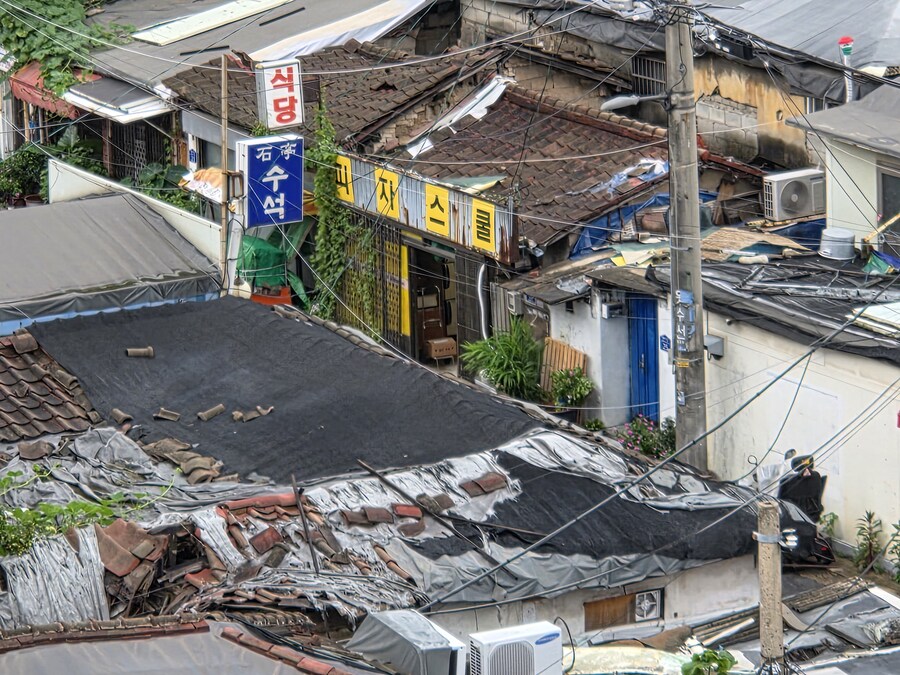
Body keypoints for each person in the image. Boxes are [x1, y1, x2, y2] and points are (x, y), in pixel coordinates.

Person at [778, 455, 826, 523]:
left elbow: (780, 502)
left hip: (794, 517)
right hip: (812, 515)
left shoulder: (787, 481)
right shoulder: (816, 476)